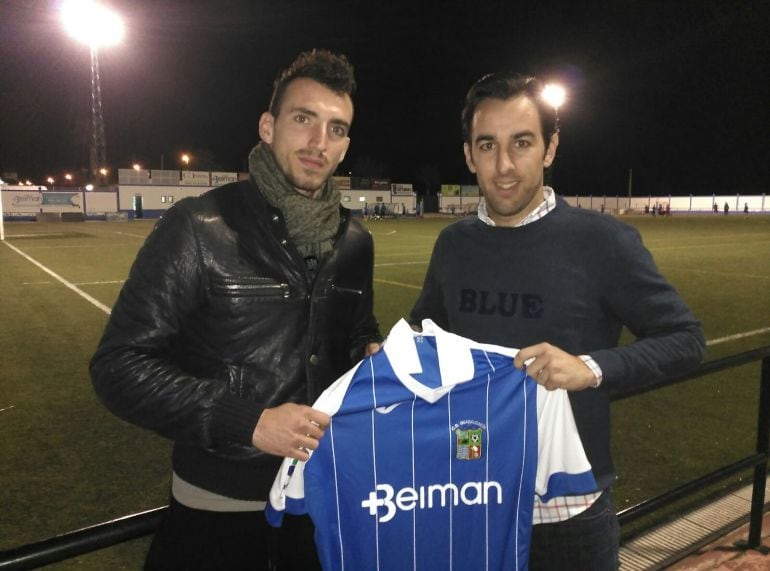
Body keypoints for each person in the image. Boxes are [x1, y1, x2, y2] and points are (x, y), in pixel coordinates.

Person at [90, 49, 382, 571]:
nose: (319, 142)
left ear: (346, 147)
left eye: (336, 129)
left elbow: (357, 332)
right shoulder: (199, 228)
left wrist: (371, 352)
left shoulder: (354, 242)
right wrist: (247, 421)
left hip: (324, 496)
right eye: (303, 119)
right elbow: (119, 366)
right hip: (218, 505)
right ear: (268, 127)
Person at [410, 72, 706, 570]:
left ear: (550, 148)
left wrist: (589, 368)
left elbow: (686, 340)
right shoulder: (453, 245)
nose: (504, 166)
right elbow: (426, 333)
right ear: (469, 156)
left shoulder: (602, 241)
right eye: (488, 145)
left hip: (569, 516)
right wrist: (396, 352)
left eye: (521, 143)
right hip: (470, 499)